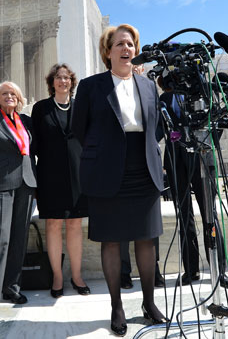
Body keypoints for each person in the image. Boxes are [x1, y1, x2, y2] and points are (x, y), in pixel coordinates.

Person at [72, 24, 166, 336]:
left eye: (131, 44)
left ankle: (149, 303)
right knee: (111, 240)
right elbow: (79, 129)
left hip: (144, 168)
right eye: (120, 44)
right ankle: (116, 306)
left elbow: (157, 126)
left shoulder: (148, 86)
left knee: (146, 238)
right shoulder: (91, 86)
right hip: (107, 170)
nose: (127, 49)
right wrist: (103, 151)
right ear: (108, 51)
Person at [159, 86, 228, 289]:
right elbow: (161, 129)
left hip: (202, 156)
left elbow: (218, 119)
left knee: (210, 213)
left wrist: (208, 143)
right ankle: (191, 270)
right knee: (184, 216)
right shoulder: (165, 97)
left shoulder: (202, 89)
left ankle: (219, 270)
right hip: (176, 160)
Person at [0, 81, 36, 318]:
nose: (9, 96)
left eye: (13, 93)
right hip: (1, 185)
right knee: (0, 238)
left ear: (19, 98)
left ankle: (12, 287)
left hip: (27, 184)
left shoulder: (26, 121)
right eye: (4, 94)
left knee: (19, 238)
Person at [31, 63, 89, 298]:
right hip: (49, 174)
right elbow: (33, 143)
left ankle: (77, 276)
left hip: (78, 174)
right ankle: (57, 277)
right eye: (58, 77)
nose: (63, 81)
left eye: (67, 78)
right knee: (53, 224)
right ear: (52, 82)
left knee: (74, 224)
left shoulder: (81, 106)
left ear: (72, 82)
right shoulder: (40, 108)